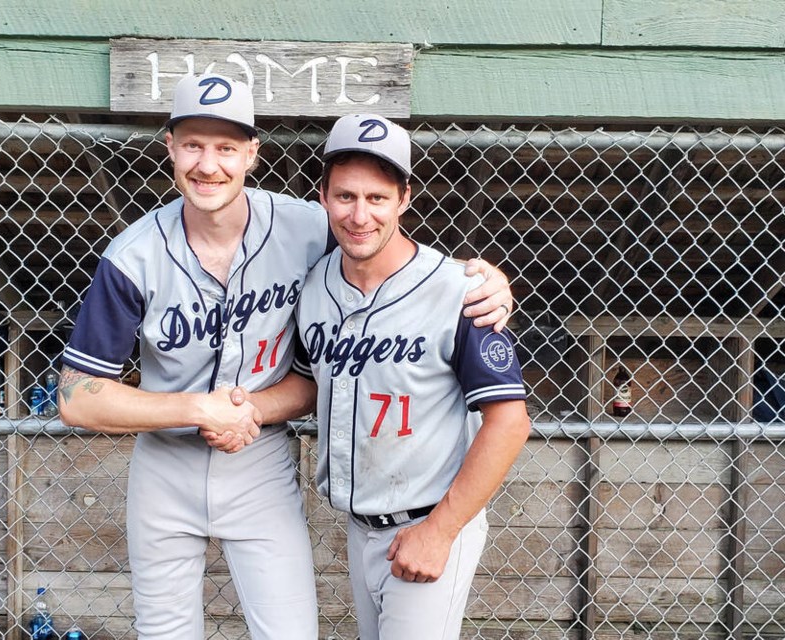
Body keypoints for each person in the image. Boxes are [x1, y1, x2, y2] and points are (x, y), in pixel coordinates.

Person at [58, 73, 514, 639]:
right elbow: (77, 398)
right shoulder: (132, 255)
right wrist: (201, 409)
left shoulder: (308, 228)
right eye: (194, 145)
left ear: (252, 153)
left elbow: (385, 263)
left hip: (261, 461)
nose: (208, 164)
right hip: (163, 468)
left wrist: (481, 280)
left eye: (226, 147)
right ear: (170, 147)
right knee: (164, 632)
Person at [292, 114, 531, 640]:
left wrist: (441, 532)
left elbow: (510, 423)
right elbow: (312, 382)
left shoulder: (461, 292)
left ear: (404, 198)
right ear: (324, 197)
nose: (360, 215)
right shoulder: (313, 288)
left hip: (430, 519)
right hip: (361, 527)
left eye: (377, 198)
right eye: (345, 196)